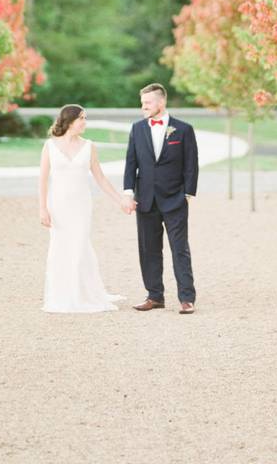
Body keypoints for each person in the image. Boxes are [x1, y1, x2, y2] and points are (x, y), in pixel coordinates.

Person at [38, 104, 128, 313]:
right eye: (81, 118)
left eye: (85, 118)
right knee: (60, 247)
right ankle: (62, 292)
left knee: (80, 245)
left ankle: (82, 292)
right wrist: (42, 208)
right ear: (69, 121)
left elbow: (101, 179)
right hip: (58, 204)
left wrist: (120, 200)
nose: (84, 122)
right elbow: (42, 180)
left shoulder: (89, 146)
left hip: (81, 205)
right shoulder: (50, 146)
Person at [121, 83, 199, 314]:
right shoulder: (137, 129)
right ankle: (154, 296)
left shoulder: (183, 129)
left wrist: (187, 193)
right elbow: (130, 163)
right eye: (142, 103)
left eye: (147, 103)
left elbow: (191, 164)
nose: (143, 107)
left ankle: (186, 298)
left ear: (161, 103)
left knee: (179, 249)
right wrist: (128, 194)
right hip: (145, 199)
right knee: (148, 249)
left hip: (175, 199)